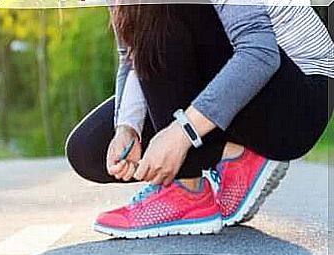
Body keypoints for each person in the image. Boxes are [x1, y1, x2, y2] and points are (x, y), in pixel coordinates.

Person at [65, 1, 334, 238]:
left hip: (300, 100)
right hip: (236, 81)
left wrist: (181, 134)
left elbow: (259, 53)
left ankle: (185, 189)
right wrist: (127, 127)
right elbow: (131, 56)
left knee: (161, 8)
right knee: (88, 150)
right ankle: (233, 156)